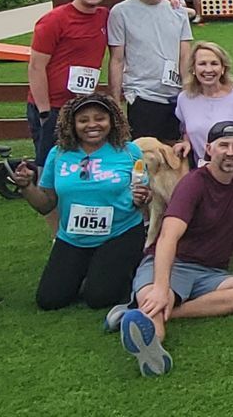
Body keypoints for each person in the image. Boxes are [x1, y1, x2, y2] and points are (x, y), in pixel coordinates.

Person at [111, 121, 233, 378]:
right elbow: (168, 237)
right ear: (208, 149)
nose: (230, 152)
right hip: (173, 262)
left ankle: (136, 313)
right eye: (223, 145)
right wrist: (161, 287)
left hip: (211, 271)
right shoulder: (193, 183)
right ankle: (151, 347)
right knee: (157, 304)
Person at [11, 93, 149, 311]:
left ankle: (114, 271)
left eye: (100, 118)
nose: (92, 125)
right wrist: (27, 186)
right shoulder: (58, 154)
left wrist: (142, 197)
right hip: (73, 237)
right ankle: (91, 270)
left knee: (99, 298)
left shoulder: (129, 151)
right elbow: (46, 203)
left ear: (112, 120)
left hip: (120, 233)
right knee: (49, 300)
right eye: (83, 120)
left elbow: (142, 193)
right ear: (71, 124)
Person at [30, 0, 114, 168]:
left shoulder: (106, 16)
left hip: (84, 107)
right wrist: (44, 112)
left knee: (83, 165)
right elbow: (36, 67)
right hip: (54, 107)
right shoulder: (54, 20)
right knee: (50, 167)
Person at [107, 0, 194, 142]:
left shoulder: (177, 10)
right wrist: (115, 102)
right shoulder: (120, 13)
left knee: (176, 160)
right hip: (142, 97)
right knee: (147, 161)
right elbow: (117, 59)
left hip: (175, 97)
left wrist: (188, 93)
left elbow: (185, 55)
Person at [173, 41, 233, 165]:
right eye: (202, 64)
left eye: (214, 64)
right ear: (193, 69)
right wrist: (186, 142)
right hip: (203, 167)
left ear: (223, 68)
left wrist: (229, 165)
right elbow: (188, 130)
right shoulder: (184, 99)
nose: (208, 69)